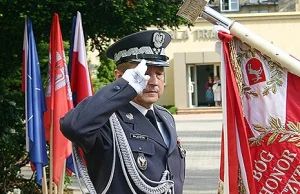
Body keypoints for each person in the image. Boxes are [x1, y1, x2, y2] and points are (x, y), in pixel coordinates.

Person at [60, 30, 186, 194]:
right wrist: (123, 88)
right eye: (145, 74)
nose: (154, 82)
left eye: (159, 74)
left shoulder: (165, 117)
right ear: (120, 77)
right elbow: (73, 126)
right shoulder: (107, 121)